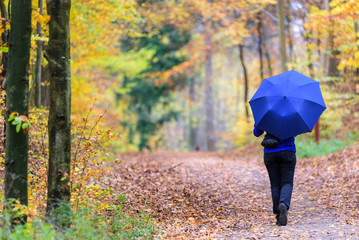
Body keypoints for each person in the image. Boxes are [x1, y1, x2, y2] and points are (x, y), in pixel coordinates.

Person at [253, 127, 296, 226]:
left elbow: (257, 132)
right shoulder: (292, 113)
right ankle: (284, 204)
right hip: (287, 151)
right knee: (287, 182)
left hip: (270, 152)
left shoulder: (266, 113)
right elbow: (295, 132)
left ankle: (278, 216)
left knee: (275, 185)